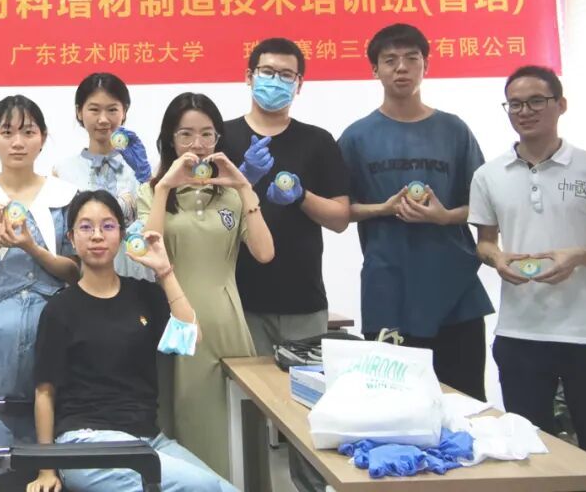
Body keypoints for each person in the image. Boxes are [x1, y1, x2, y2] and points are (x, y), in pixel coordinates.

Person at [469, 65, 586, 466]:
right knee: (531, 452)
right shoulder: (488, 175)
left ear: (561, 105)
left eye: (536, 101)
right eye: (514, 104)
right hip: (519, 333)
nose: (524, 111)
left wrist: (579, 255)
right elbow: (485, 243)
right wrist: (498, 258)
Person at [28, 190, 237, 492]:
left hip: (148, 440)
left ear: (122, 235)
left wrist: (164, 271)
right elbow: (44, 393)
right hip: (85, 443)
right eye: (86, 227)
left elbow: (190, 340)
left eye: (108, 226)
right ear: (72, 238)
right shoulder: (59, 309)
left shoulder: (144, 294)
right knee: (203, 487)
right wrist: (46, 468)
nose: (97, 235)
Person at [220, 38, 350, 492]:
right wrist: (244, 179)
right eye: (267, 72)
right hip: (239, 301)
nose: (275, 81)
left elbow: (340, 218)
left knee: (310, 416)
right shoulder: (221, 137)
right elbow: (203, 213)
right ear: (248, 75)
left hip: (302, 301)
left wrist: (301, 196)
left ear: (299, 84)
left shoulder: (317, 141)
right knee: (246, 415)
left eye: (285, 75)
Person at [337, 23, 492, 401]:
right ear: (375, 70)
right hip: (389, 292)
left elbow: (486, 207)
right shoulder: (356, 137)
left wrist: (445, 217)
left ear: (426, 66)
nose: (401, 67)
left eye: (411, 58)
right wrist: (383, 208)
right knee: (395, 405)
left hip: (455, 291)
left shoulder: (454, 130)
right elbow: (338, 211)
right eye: (390, 60)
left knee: (465, 403)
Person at [136, 92, 274, 479]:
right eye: (186, 134)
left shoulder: (231, 194)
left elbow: (264, 252)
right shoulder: (151, 192)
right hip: (176, 324)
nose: (197, 144)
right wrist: (164, 187)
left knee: (237, 428)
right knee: (184, 419)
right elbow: (150, 251)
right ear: (170, 139)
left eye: (207, 134)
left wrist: (244, 185)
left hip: (226, 320)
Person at [0, 95, 80, 445]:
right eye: (7, 132)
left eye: (28, 132)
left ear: (43, 137)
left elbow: (75, 273)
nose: (18, 142)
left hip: (52, 325)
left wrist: (31, 248)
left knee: (55, 426)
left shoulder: (65, 196)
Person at [53, 72, 154, 281]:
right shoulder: (62, 172)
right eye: (94, 109)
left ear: (124, 112)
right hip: (84, 282)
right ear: (79, 112)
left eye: (112, 109)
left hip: (138, 277)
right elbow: (61, 240)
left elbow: (155, 223)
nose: (103, 119)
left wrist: (148, 179)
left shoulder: (143, 167)